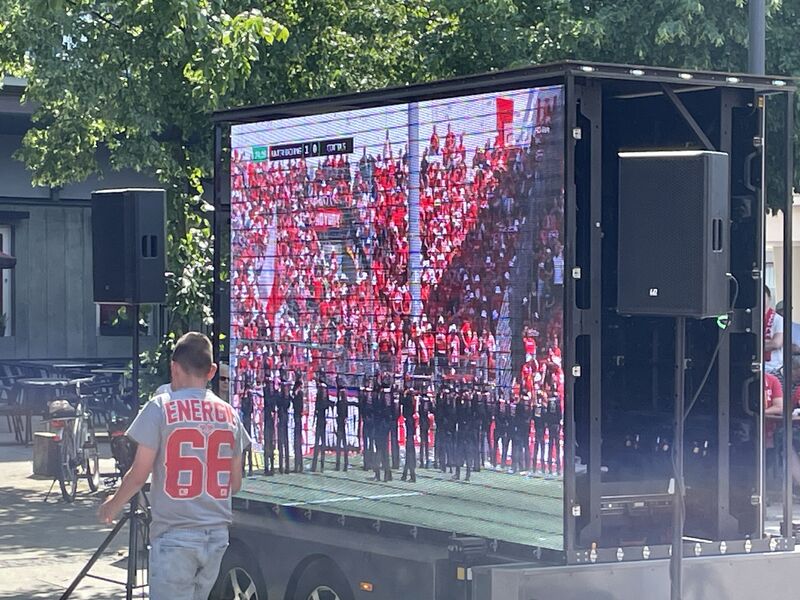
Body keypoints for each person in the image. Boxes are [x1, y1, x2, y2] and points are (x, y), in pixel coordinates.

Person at [98, 332, 250, 600]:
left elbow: (138, 474)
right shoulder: (230, 414)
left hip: (175, 536)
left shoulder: (161, 407)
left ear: (174, 367)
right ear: (212, 371)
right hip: (216, 536)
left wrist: (113, 502)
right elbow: (235, 484)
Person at [765, 286, 784, 375]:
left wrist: (755, 345)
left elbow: (776, 343)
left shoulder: (778, 319)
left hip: (774, 368)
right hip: (755, 366)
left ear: (769, 298)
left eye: (763, 297)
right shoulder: (752, 319)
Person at [291, 375, 305, 473]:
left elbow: (299, 406)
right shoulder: (297, 394)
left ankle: (299, 465)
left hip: (298, 418)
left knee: (298, 442)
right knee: (296, 442)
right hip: (296, 417)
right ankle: (298, 465)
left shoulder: (299, 394)